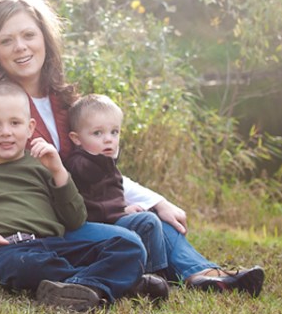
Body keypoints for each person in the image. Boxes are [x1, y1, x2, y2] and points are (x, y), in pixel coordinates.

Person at [0, 0, 264, 296]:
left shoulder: (62, 101)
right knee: (127, 236)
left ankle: (203, 275)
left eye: (29, 35)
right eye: (7, 40)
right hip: (44, 224)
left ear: (45, 38)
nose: (21, 47)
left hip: (79, 210)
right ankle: (127, 281)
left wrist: (155, 200)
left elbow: (92, 167)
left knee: (151, 218)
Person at [0, 81, 168, 311]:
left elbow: (75, 219)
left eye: (15, 123)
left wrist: (58, 172)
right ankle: (113, 284)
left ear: (30, 128)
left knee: (128, 245)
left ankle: (81, 287)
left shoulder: (43, 166)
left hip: (55, 243)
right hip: (8, 250)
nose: (6, 132)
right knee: (29, 266)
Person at [65, 94, 265, 295]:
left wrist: (131, 207)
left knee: (157, 219)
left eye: (114, 132)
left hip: (109, 219)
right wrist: (119, 209)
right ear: (76, 139)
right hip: (90, 228)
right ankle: (154, 277)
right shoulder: (80, 163)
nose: (108, 139)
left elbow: (105, 195)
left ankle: (202, 275)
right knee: (147, 221)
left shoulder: (101, 160)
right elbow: (89, 199)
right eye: (97, 133)